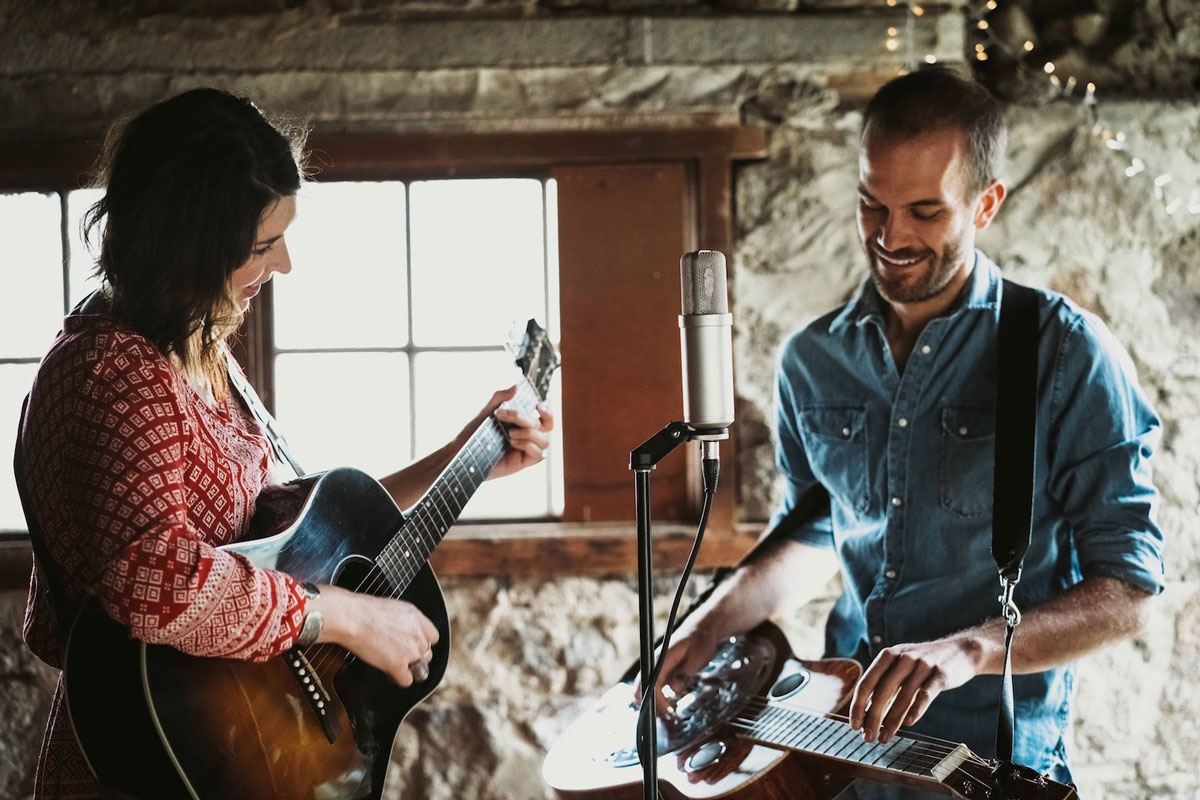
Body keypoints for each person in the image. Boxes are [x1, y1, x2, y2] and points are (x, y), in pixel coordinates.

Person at [16, 88, 554, 799]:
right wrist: (352, 617)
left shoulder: (196, 354)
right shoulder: (113, 370)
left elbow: (295, 531)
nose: (287, 264)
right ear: (189, 241)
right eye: (264, 244)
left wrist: (466, 458)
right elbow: (157, 579)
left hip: (236, 754)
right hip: (153, 770)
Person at [647, 66, 1163, 797]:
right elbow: (820, 527)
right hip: (839, 754)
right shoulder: (811, 360)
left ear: (986, 204)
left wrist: (969, 650)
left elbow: (1131, 594)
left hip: (986, 766)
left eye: (926, 211)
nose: (891, 237)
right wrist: (708, 625)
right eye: (871, 206)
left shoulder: (1067, 352)